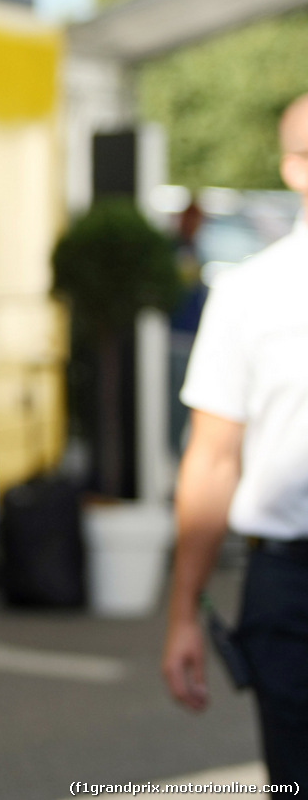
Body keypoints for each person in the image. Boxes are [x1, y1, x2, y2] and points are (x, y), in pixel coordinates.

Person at [162, 93, 308, 785]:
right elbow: (212, 459)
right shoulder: (249, 291)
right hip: (289, 586)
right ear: (292, 167)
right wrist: (184, 611)